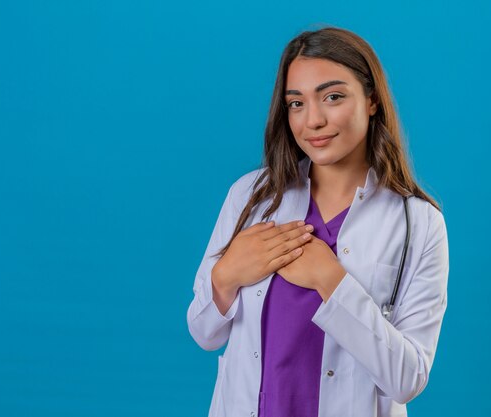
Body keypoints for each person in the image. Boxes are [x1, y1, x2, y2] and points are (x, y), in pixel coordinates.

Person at [186, 26, 449, 417]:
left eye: (333, 97)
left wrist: (331, 281)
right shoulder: (250, 198)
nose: (313, 121)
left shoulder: (419, 223)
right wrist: (226, 276)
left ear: (372, 100)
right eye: (296, 103)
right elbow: (205, 333)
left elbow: (407, 380)